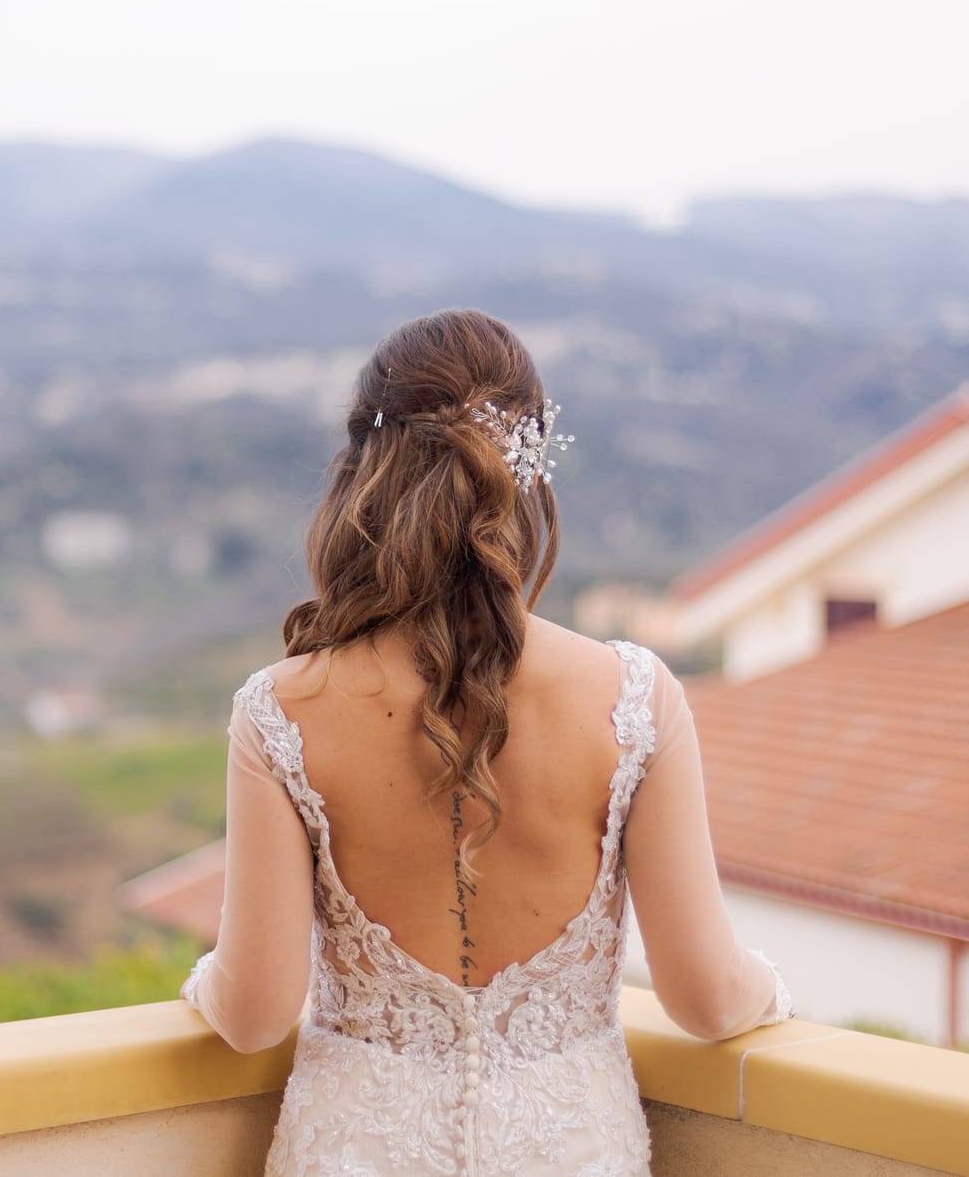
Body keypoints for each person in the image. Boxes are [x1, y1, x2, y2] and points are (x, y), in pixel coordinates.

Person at [180, 308, 791, 1175]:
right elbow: (705, 996)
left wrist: (205, 982)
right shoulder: (636, 698)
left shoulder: (281, 708)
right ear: (530, 470)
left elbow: (253, 1014)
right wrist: (774, 989)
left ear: (365, 472)